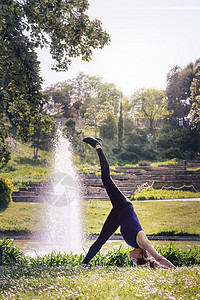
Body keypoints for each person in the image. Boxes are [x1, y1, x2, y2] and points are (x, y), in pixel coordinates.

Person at [82, 137, 176, 269]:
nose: (131, 258)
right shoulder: (143, 242)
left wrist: (159, 267)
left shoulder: (136, 246)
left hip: (118, 216)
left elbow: (154, 261)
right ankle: (98, 146)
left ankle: (83, 264)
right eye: (133, 260)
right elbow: (159, 258)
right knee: (106, 179)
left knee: (101, 240)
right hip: (123, 206)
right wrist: (175, 269)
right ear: (139, 255)